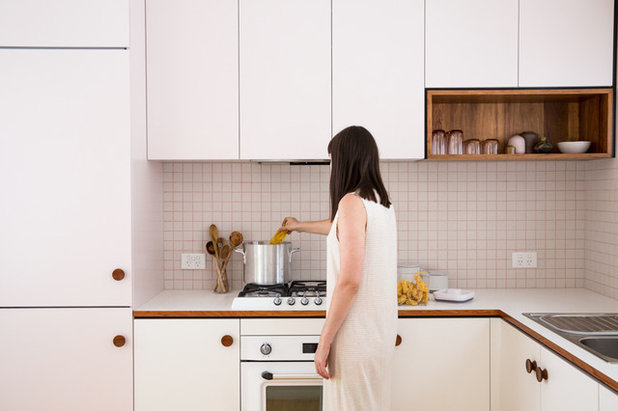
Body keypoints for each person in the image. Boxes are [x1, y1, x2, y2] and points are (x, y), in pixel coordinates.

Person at [278, 125, 397, 410]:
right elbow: (341, 228)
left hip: (355, 334)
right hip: (378, 332)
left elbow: (350, 282)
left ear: (344, 161)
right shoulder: (381, 203)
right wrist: (299, 227)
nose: (331, 168)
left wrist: (324, 340)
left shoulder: (351, 202)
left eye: (333, 161)